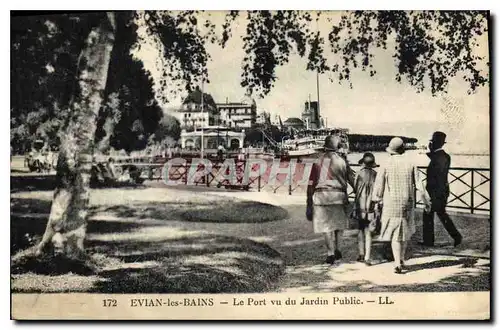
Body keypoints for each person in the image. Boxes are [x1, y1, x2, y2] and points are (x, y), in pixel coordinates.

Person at [372, 137, 430, 274]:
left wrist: (377, 199)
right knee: (404, 231)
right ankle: (402, 259)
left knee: (394, 234)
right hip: (407, 202)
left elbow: (379, 184)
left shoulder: (386, 163)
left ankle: (397, 262)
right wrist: (427, 201)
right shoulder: (411, 163)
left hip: (391, 202)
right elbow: (420, 184)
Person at [306, 135, 355, 265]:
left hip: (322, 197)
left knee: (326, 226)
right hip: (339, 196)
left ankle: (330, 253)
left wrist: (309, 204)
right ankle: (338, 249)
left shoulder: (317, 161)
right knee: (339, 225)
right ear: (337, 147)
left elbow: (311, 184)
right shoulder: (342, 161)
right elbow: (351, 179)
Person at [422, 131, 462, 247]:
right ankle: (455, 236)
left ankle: (430, 241)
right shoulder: (444, 156)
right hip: (442, 191)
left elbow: (436, 176)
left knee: (431, 214)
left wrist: (430, 195)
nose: (430, 144)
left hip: (436, 192)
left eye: (432, 142)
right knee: (440, 214)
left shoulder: (438, 157)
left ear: (435, 143)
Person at [353, 152, 379, 266]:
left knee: (360, 230)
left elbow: (354, 188)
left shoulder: (358, 173)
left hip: (360, 205)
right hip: (371, 206)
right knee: (369, 232)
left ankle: (361, 253)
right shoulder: (375, 174)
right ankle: (368, 257)